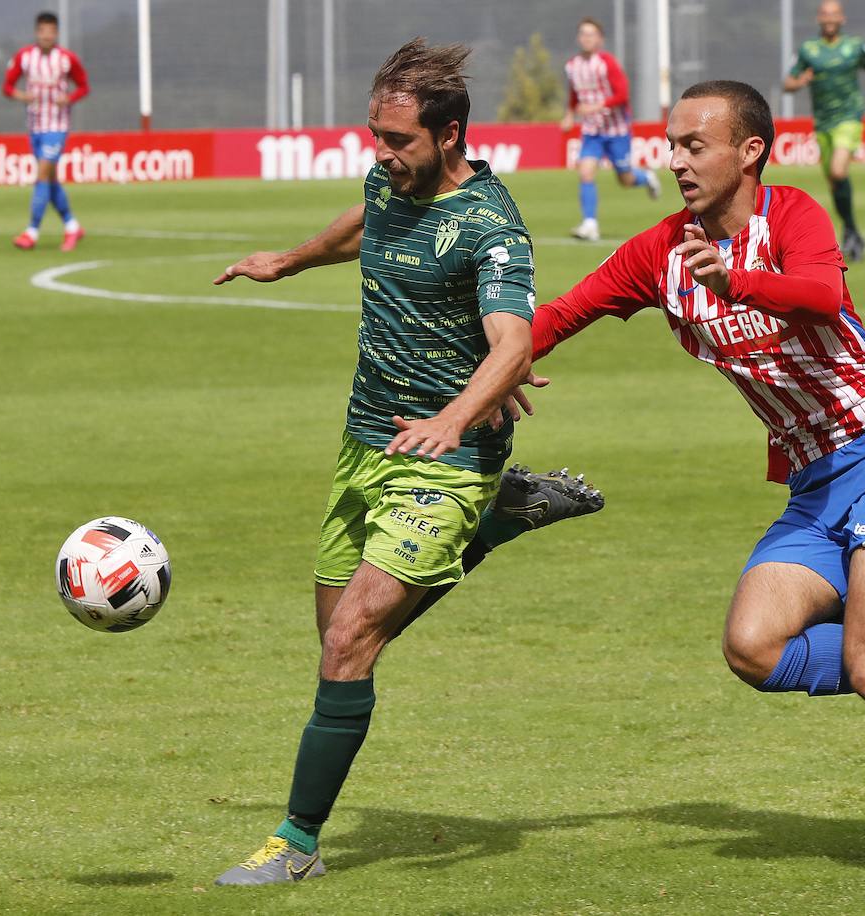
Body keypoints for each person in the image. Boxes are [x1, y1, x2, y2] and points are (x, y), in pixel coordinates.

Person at [485, 80, 865, 887]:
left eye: (696, 145)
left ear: (750, 151)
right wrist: (479, 380)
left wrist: (737, 282)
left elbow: (824, 293)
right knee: (754, 648)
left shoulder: (791, 216)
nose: (677, 160)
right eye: (673, 144)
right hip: (814, 482)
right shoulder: (659, 253)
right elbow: (558, 317)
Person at [207, 39, 601, 887]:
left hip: (447, 459)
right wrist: (292, 257)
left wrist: (458, 415)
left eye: (400, 142)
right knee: (339, 646)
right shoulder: (388, 181)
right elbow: (365, 224)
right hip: (362, 446)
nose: (381, 157)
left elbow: (513, 340)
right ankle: (502, 524)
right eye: (375, 138)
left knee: (350, 640)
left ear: (451, 133)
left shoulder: (491, 226)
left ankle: (296, 843)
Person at [782, 0, 865, 262]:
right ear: (819, 18)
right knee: (834, 182)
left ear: (843, 19)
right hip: (823, 122)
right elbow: (788, 83)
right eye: (825, 14)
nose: (829, 19)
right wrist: (800, 81)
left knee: (839, 170)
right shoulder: (809, 50)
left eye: (834, 14)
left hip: (849, 116)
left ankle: (851, 231)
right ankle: (853, 231)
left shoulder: (855, 46)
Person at [561, 16, 660, 242]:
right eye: (583, 34)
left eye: (591, 34)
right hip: (592, 131)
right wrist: (569, 113)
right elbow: (574, 93)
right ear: (579, 38)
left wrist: (597, 106)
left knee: (625, 180)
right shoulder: (573, 65)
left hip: (617, 130)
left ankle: (646, 177)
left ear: (600, 39)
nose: (586, 38)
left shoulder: (607, 63)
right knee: (585, 171)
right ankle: (590, 224)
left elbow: (622, 94)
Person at [3, 10, 88, 252]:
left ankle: (32, 232)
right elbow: (7, 86)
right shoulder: (25, 57)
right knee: (50, 181)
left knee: (42, 175)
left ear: (57, 33)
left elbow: (84, 86)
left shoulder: (66, 59)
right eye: (43, 31)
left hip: (57, 126)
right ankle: (72, 226)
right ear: (37, 32)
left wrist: (69, 98)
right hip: (35, 126)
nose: (47, 36)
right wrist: (22, 95)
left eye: (51, 31)